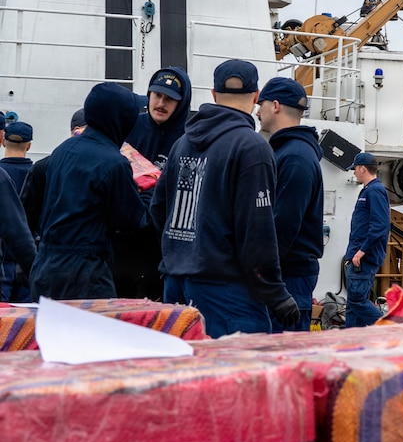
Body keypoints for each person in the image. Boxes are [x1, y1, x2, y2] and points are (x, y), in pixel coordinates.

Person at [151, 59, 300, 336]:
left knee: (184, 375)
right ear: (256, 97)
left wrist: (184, 252)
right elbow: (257, 230)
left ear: (214, 94)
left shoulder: (181, 144)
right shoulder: (252, 147)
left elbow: (159, 209)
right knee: (239, 375)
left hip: (176, 284)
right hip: (226, 291)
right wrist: (275, 293)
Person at [30, 84, 149, 302]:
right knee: (93, 334)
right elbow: (131, 221)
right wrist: (149, 193)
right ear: (120, 119)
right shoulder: (114, 163)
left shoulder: (62, 150)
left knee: (51, 334)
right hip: (85, 273)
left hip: (45, 266)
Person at [116, 67, 192, 300]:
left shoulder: (189, 137)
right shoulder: (128, 126)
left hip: (163, 247)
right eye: (157, 95)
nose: (161, 103)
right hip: (122, 241)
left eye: (170, 99)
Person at [259, 77, 324, 330]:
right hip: (285, 275)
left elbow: (282, 225)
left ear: (275, 105)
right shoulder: (290, 152)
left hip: (287, 278)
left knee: (282, 360)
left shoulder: (295, 156)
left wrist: (260, 275)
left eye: (261, 103)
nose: (257, 110)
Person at [344, 152, 390, 328]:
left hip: (363, 258)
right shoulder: (369, 191)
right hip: (358, 256)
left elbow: (379, 225)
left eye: (355, 168)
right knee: (352, 305)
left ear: (362, 168)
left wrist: (361, 251)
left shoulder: (375, 191)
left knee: (356, 301)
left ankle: (390, 328)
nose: (354, 172)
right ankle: (352, 342)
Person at [0, 121, 33, 301]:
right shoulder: (40, 172)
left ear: (4, 141)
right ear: (29, 145)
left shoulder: (2, 174)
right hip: (27, 258)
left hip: (3, 262)